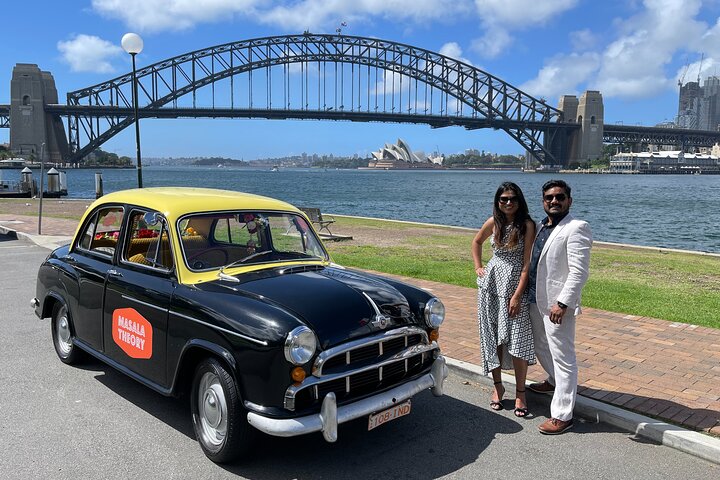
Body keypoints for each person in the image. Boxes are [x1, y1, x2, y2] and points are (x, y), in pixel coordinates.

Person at [527, 179, 592, 435]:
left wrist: (563, 302)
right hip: (535, 298)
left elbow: (579, 271)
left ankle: (563, 415)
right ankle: (554, 381)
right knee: (539, 345)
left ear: (569, 201)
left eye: (559, 197)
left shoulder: (577, 228)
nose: (554, 201)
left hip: (556, 304)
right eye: (549, 198)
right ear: (543, 201)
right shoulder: (541, 225)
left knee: (564, 356)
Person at [472, 182, 536, 418]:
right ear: (497, 201)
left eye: (512, 199)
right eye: (503, 199)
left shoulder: (527, 225)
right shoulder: (494, 222)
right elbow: (476, 242)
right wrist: (479, 267)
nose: (508, 203)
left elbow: (527, 263)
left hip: (514, 285)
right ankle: (498, 387)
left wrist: (518, 295)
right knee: (494, 338)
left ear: (520, 201)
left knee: (518, 339)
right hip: (491, 284)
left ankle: (520, 392)